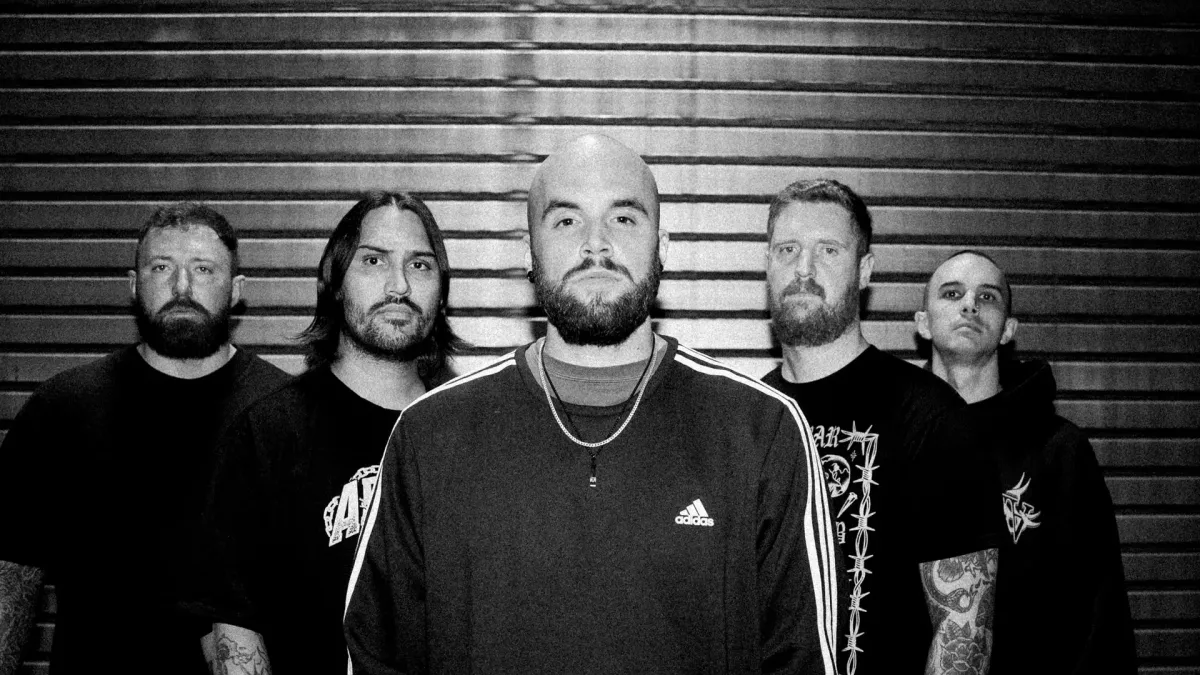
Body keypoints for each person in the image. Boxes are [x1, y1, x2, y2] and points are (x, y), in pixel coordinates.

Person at [343, 135, 842, 674]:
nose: (595, 245)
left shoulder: (760, 431)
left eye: (623, 219)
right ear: (529, 252)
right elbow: (374, 657)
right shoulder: (429, 436)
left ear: (663, 246)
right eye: (566, 221)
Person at [0, 203, 290, 675]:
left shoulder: (288, 413)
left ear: (237, 290)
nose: (182, 287)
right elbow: (11, 581)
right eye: (161, 268)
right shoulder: (61, 409)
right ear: (134, 285)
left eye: (203, 269)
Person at [186, 191, 462, 675]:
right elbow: (232, 625)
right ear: (333, 281)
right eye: (373, 260)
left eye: (419, 265)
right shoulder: (268, 433)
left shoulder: (466, 433)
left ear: (441, 293)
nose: (398, 284)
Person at [760, 179, 1006, 675]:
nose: (803, 268)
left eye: (828, 250)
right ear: (767, 264)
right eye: (788, 249)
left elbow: (962, 633)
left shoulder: (933, 418)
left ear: (864, 270)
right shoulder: (748, 418)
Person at [915, 250, 1137, 674]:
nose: (970, 305)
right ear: (922, 322)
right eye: (952, 293)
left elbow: (1100, 609)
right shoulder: (896, 439)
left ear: (1008, 329)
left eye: (987, 297)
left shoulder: (1059, 449)